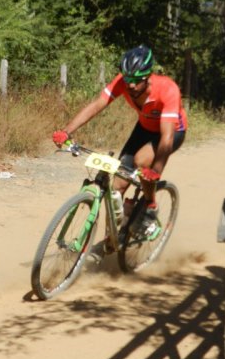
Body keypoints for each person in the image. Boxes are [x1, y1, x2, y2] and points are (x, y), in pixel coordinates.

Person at [52, 45, 187, 244]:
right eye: (128, 80)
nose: (130, 86)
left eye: (136, 81)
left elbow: (166, 137)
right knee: (117, 185)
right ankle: (113, 236)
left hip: (171, 131)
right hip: (144, 128)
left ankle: (150, 205)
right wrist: (66, 131)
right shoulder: (123, 82)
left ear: (148, 76)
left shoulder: (167, 90)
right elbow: (97, 105)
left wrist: (156, 170)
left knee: (142, 161)